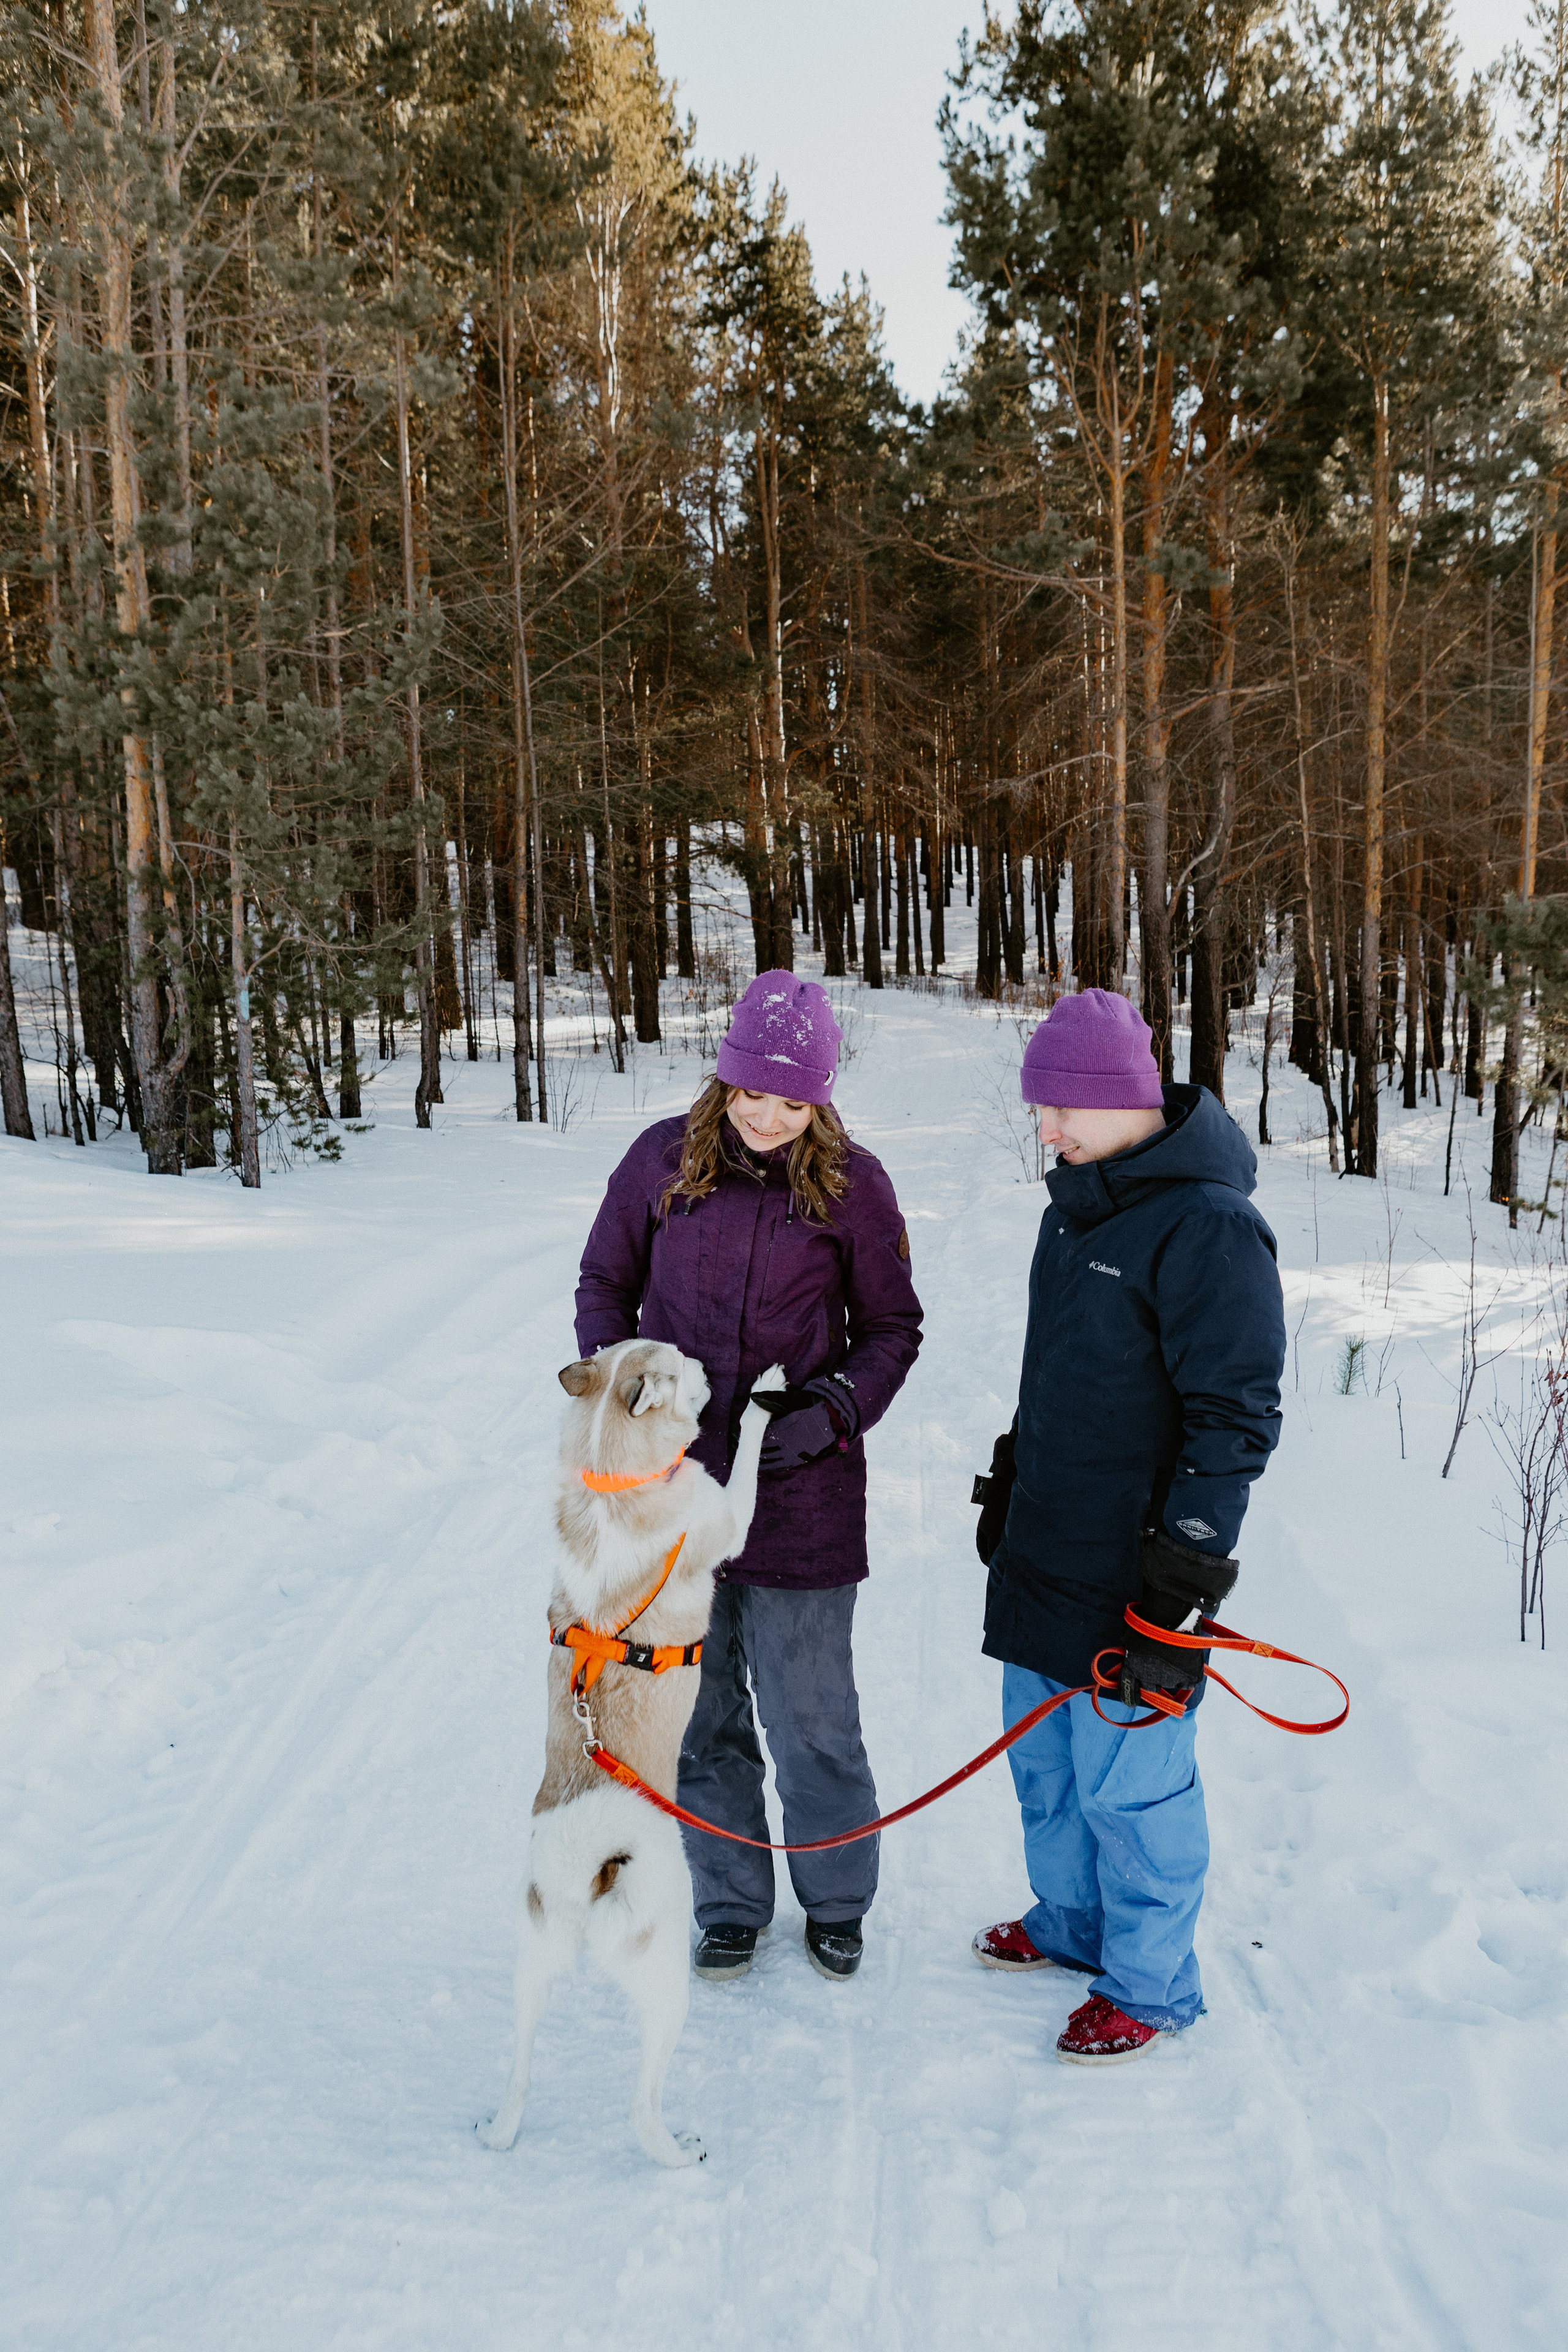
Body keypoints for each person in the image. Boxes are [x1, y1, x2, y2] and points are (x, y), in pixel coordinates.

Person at [575, 971, 923, 1983]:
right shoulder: (659, 1164)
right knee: (699, 1715)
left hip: (801, 1498)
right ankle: (729, 1902)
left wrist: (833, 1409)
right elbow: (606, 1282)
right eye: (753, 1092)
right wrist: (625, 1384)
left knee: (812, 1717)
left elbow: (893, 1329)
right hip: (672, 1498)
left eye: (793, 1099)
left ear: (820, 1099)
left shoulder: (854, 1186)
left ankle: (837, 1896)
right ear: (722, 1077)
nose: (769, 1116)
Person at [972, 988, 1284, 2064]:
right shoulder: (1075, 1210)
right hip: (1046, 1553)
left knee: (1134, 1792)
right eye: (1040, 1111)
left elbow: (1234, 1417)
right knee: (1046, 1771)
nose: (1047, 1132)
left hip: (1135, 1579)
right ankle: (1072, 1926)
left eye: (1062, 1110)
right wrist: (1012, 1487)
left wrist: (1182, 1576)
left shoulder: (1210, 1226)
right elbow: (1057, 1375)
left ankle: (1150, 1986)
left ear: (1128, 1101)